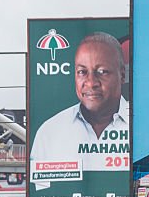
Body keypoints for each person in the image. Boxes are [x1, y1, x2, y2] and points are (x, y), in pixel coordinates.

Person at [30, 32, 130, 172]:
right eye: (82, 72)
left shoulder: (143, 126)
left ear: (122, 75)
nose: (90, 83)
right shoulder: (49, 131)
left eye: (102, 72)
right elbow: (40, 190)